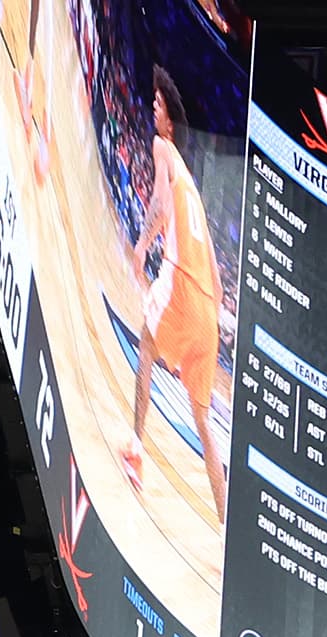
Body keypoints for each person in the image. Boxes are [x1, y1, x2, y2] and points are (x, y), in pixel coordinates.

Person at [116, 65, 227, 523]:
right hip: (209, 315)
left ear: (169, 123)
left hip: (182, 286)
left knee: (145, 349)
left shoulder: (164, 149)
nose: (152, 109)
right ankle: (226, 522)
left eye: (157, 104)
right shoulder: (196, 191)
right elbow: (220, 285)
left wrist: (142, 247)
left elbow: (159, 204)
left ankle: (137, 450)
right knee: (203, 424)